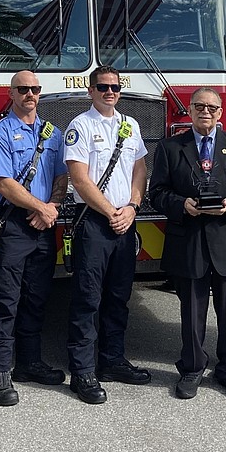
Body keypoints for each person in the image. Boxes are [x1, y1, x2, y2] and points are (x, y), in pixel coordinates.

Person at [149, 90, 226, 400]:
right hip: (189, 241)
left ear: (220, 113)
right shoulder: (171, 147)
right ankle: (192, 368)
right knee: (192, 311)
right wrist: (181, 204)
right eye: (199, 106)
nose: (206, 112)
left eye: (212, 107)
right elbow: (156, 192)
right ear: (190, 109)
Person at [64, 66, 151, 404]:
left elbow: (139, 168)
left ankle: (112, 360)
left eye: (115, 87)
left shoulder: (130, 126)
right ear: (91, 90)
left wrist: (131, 206)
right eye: (103, 87)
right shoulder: (80, 126)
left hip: (125, 221)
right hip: (95, 222)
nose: (110, 92)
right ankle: (82, 370)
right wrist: (111, 212)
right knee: (88, 299)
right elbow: (79, 178)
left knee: (118, 297)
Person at [0, 71, 68, 407]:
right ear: (12, 93)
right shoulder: (0, 133)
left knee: (37, 296)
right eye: (23, 89)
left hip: (45, 222)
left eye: (34, 89)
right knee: (6, 299)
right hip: (15, 223)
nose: (30, 94)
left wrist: (53, 207)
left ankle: (30, 363)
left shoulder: (52, 133)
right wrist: (41, 208)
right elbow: (2, 183)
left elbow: (62, 176)